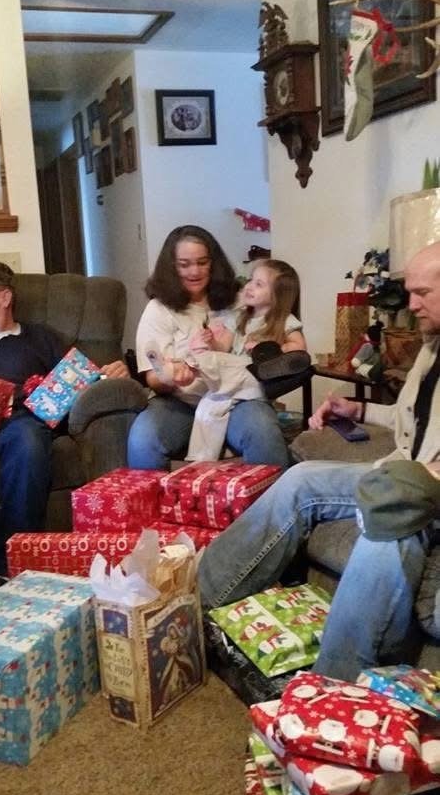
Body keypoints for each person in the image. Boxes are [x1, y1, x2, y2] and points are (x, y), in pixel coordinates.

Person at [199, 241, 440, 681]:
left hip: (423, 494)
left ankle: (334, 688)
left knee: (387, 525)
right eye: (409, 291)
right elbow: (415, 423)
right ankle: (199, 599)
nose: (411, 304)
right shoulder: (431, 347)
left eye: (422, 293)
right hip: (401, 474)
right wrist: (358, 409)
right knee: (301, 478)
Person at [0, 261, 130, 579]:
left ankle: (9, 568)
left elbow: (79, 379)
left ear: (5, 298)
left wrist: (113, 373)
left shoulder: (41, 339)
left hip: (21, 422)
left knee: (29, 443)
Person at [126, 226, 290, 471]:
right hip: (179, 402)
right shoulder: (158, 309)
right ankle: (150, 497)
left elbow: (276, 317)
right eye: (184, 265)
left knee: (263, 431)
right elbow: (153, 378)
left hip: (235, 399)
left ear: (214, 263)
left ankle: (273, 496)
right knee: (143, 439)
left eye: (202, 263)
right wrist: (171, 379)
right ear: (171, 267)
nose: (194, 271)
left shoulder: (241, 300)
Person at [183, 258, 310, 461]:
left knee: (223, 368)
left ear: (277, 295)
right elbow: (223, 348)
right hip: (232, 380)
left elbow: (300, 348)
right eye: (251, 280)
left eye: (259, 284)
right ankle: (206, 456)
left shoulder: (284, 320)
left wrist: (269, 349)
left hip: (253, 379)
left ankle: (192, 365)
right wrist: (211, 341)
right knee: (207, 407)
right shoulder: (239, 317)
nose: (249, 286)